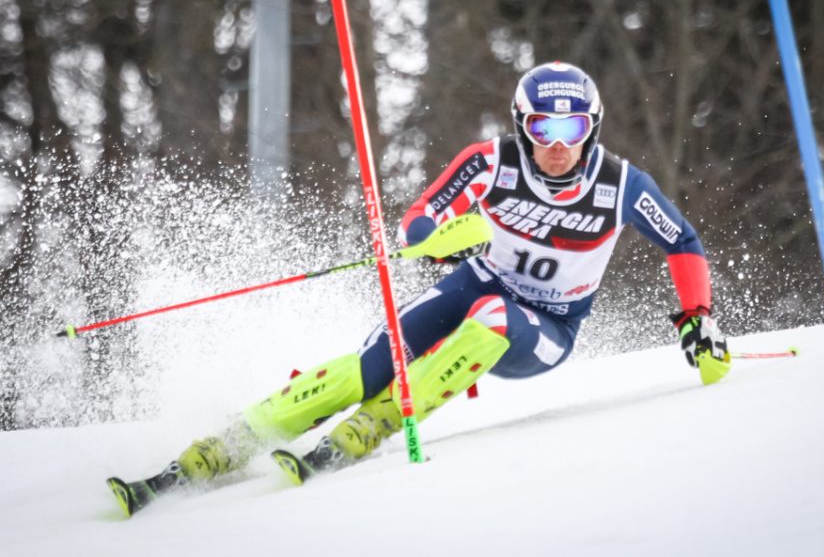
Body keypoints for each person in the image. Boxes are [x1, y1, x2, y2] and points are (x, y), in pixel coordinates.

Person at [108, 61, 730, 515]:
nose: (558, 146)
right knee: (370, 365)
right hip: (474, 283)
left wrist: (697, 316)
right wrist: (442, 239)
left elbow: (683, 241)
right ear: (523, 125)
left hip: (546, 329)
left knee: (494, 315)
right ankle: (230, 441)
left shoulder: (621, 185)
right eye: (544, 128)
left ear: (592, 128)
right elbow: (419, 219)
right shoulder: (492, 161)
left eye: (573, 129)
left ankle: (374, 425)